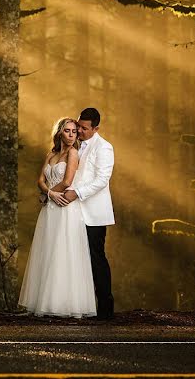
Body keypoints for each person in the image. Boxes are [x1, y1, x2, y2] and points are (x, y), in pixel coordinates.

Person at [18, 118, 96, 318]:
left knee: (63, 252)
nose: (72, 134)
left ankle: (63, 304)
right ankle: (42, 302)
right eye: (67, 131)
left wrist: (49, 194)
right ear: (59, 132)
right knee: (47, 250)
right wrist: (48, 193)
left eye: (74, 131)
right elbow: (40, 179)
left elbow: (68, 180)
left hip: (64, 207)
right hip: (50, 207)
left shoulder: (73, 153)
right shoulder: (51, 154)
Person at [61, 107, 115, 320]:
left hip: (93, 213)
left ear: (96, 128)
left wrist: (77, 193)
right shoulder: (75, 146)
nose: (79, 131)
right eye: (79, 126)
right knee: (74, 259)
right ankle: (79, 306)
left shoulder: (104, 148)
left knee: (95, 259)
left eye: (84, 128)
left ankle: (105, 309)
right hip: (72, 212)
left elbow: (102, 180)